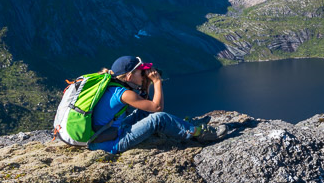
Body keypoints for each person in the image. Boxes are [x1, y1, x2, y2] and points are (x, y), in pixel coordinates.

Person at [87, 55, 227, 154]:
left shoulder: (112, 86)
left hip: (105, 133)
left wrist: (145, 85)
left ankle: (184, 126)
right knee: (159, 118)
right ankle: (198, 133)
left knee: (144, 113)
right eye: (142, 72)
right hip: (110, 144)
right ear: (129, 77)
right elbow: (157, 108)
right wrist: (157, 82)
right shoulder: (124, 94)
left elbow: (147, 106)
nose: (145, 74)